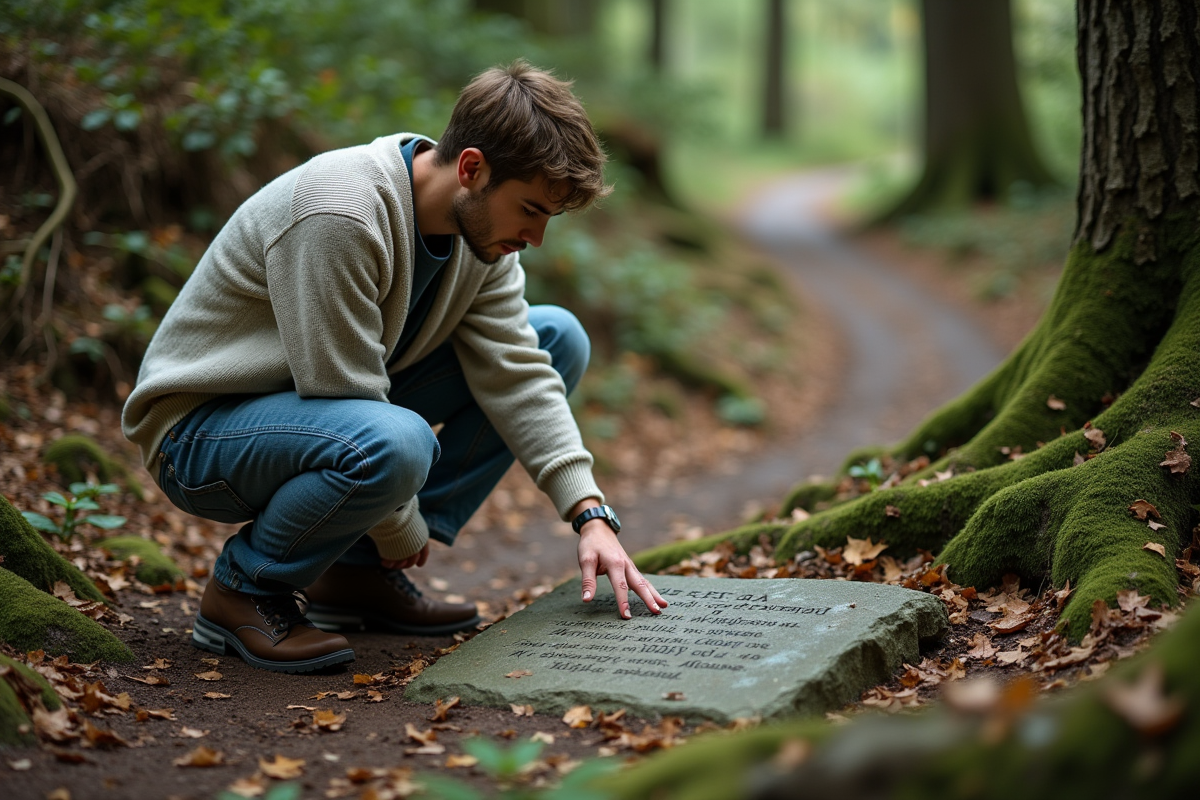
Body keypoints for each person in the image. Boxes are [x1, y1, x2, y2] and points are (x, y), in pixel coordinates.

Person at [121, 60, 667, 674]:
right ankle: (244, 589)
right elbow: (341, 392)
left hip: (319, 417)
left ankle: (354, 576)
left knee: (556, 338)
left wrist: (589, 514)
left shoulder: (481, 240)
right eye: (531, 210)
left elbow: (519, 371)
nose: (536, 237)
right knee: (396, 441)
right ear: (471, 169)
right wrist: (401, 532)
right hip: (200, 435)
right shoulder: (341, 210)